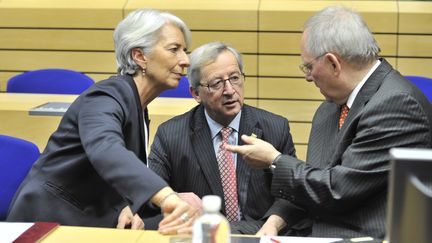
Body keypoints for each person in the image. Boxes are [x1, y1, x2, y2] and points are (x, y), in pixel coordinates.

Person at [226, 6, 432, 239]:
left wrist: (274, 160)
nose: (307, 76)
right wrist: (274, 222)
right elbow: (315, 180)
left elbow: (337, 189)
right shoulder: (329, 109)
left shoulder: (396, 104)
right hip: (315, 229)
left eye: (309, 66)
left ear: (333, 63)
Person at [7, 9, 198, 234]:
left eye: (184, 51)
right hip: (45, 224)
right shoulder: (106, 97)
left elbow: (111, 173)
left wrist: (130, 204)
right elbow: (105, 149)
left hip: (85, 219)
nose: (185, 61)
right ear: (139, 56)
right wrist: (166, 197)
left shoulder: (135, 103)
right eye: (174, 49)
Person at [148, 41, 297, 234]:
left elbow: (292, 193)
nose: (229, 90)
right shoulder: (171, 135)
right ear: (196, 93)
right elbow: (152, 191)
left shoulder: (275, 128)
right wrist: (174, 197)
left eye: (235, 78)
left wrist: (273, 224)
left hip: (260, 234)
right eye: (216, 83)